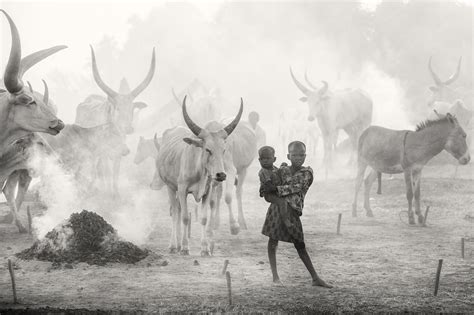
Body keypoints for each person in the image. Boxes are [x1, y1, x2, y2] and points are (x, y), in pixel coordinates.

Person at [261, 141, 332, 288]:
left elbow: (296, 187)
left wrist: (275, 189)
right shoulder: (283, 170)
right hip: (276, 208)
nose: (298, 158)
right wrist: (265, 188)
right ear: (288, 155)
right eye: (294, 155)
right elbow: (269, 182)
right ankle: (275, 277)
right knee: (272, 241)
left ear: (305, 156)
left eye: (301, 155)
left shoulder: (307, 173)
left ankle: (315, 277)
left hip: (292, 210)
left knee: (300, 244)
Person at [257, 146, 293, 229]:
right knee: (282, 202)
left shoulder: (273, 168)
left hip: (275, 190)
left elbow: (278, 173)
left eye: (268, 158)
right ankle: (285, 220)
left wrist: (283, 167)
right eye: (262, 159)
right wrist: (279, 189)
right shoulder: (263, 171)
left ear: (274, 159)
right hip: (269, 194)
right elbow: (269, 185)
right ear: (259, 160)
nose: (265, 161)